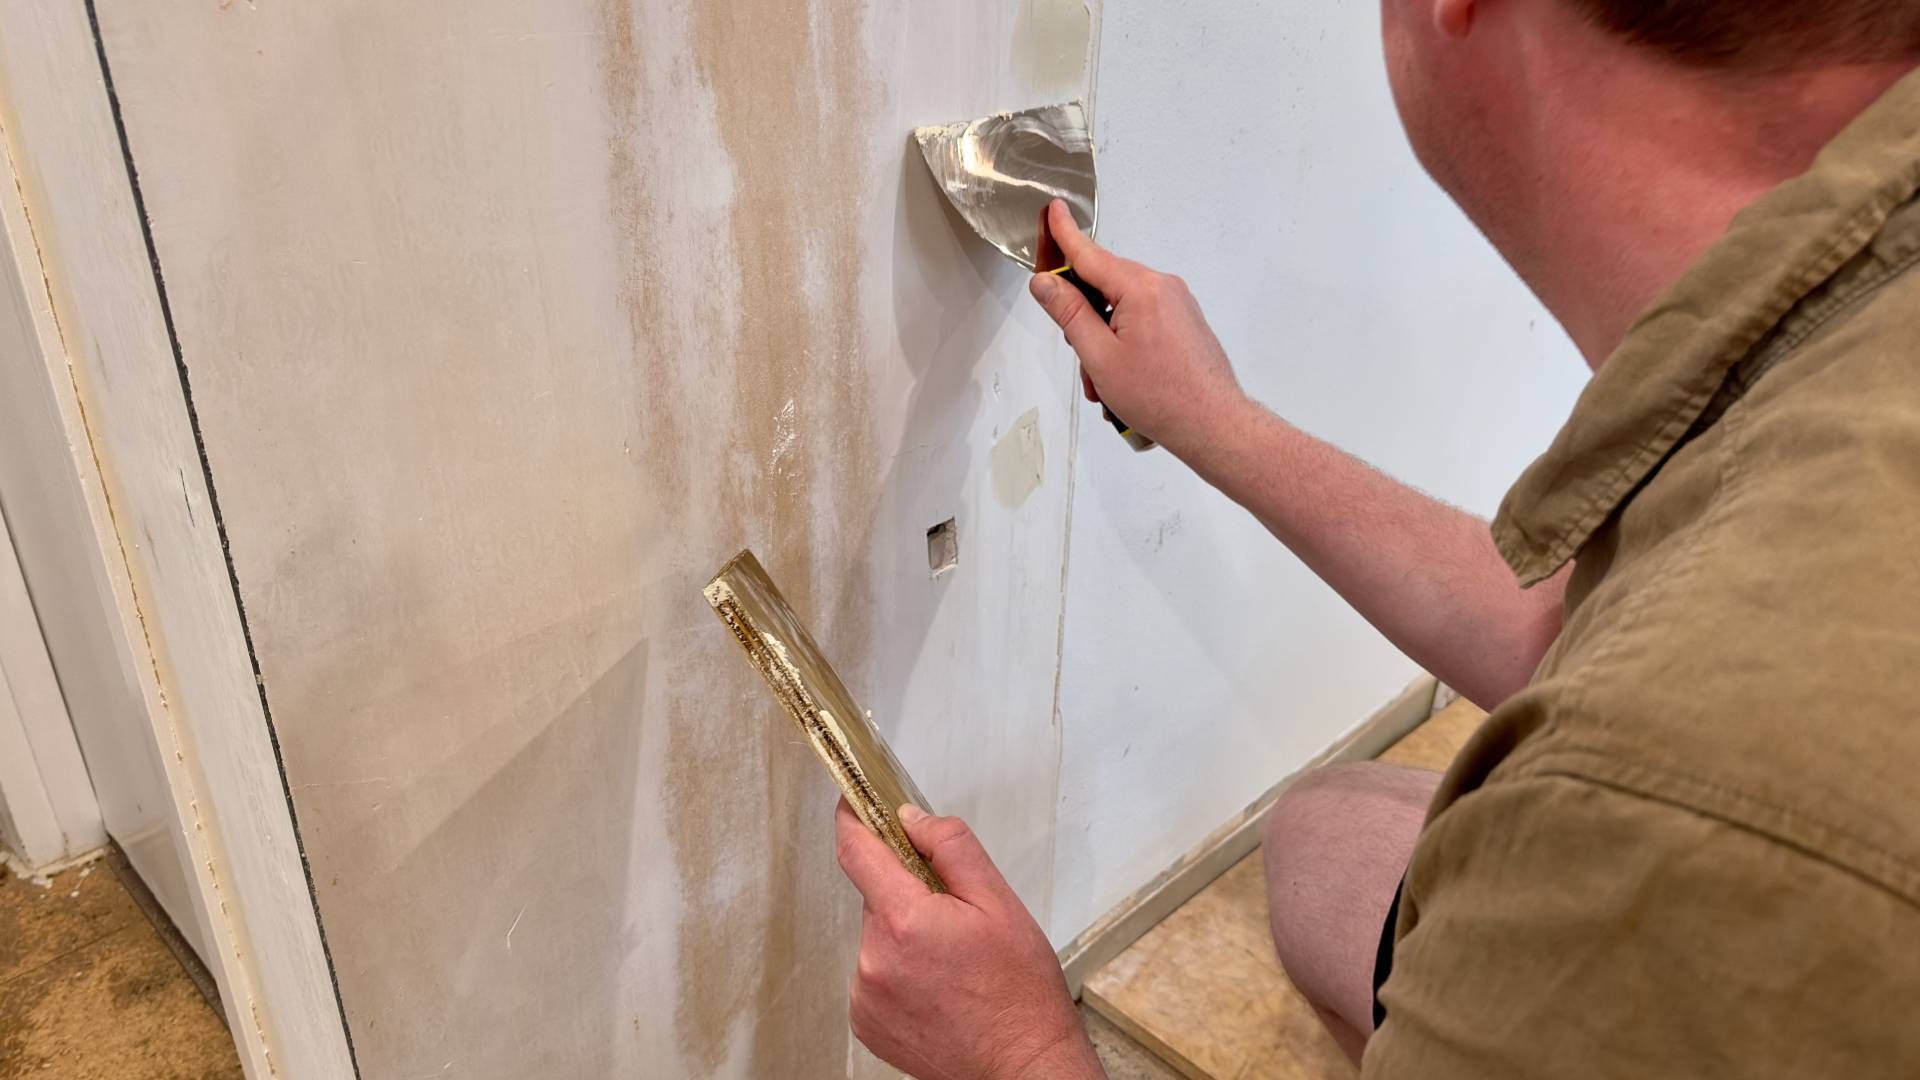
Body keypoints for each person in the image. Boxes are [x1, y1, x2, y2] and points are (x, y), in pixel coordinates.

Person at [834, 0, 1920, 1074]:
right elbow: (1596, 628)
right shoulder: (1857, 325)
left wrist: (1023, 1052)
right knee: (1326, 844)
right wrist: (1219, 422)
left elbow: (1656, 744)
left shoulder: (1634, 816)